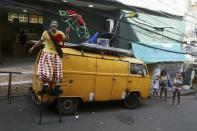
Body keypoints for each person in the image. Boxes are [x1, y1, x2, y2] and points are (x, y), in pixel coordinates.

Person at [29, 20, 70, 92]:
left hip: (56, 54)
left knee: (57, 71)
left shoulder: (60, 33)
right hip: (47, 54)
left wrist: (67, 32)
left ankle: (56, 85)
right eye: (53, 23)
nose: (54, 25)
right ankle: (46, 84)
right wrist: (33, 47)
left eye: (56, 24)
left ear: (57, 26)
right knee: (47, 70)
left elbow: (66, 40)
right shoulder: (45, 33)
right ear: (50, 25)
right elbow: (40, 41)